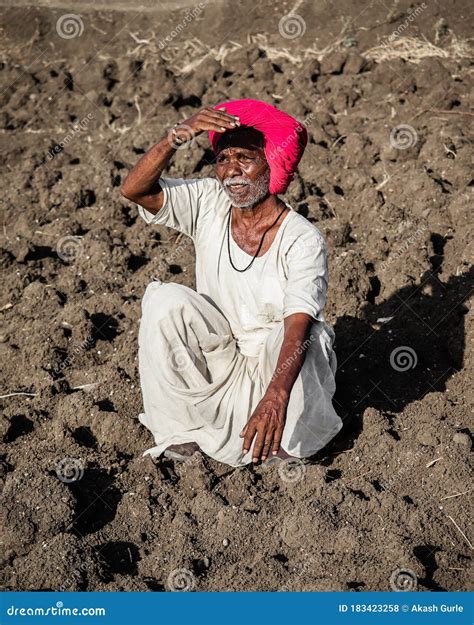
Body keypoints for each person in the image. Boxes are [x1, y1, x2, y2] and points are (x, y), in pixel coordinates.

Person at [121, 99, 342, 468]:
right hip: (221, 360)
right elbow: (135, 190)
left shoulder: (302, 240)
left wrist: (274, 397)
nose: (231, 171)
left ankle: (288, 442)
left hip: (275, 371)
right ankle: (182, 432)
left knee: (312, 336)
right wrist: (178, 135)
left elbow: (297, 325)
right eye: (223, 159)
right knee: (163, 300)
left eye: (245, 158)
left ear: (271, 163)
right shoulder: (209, 202)